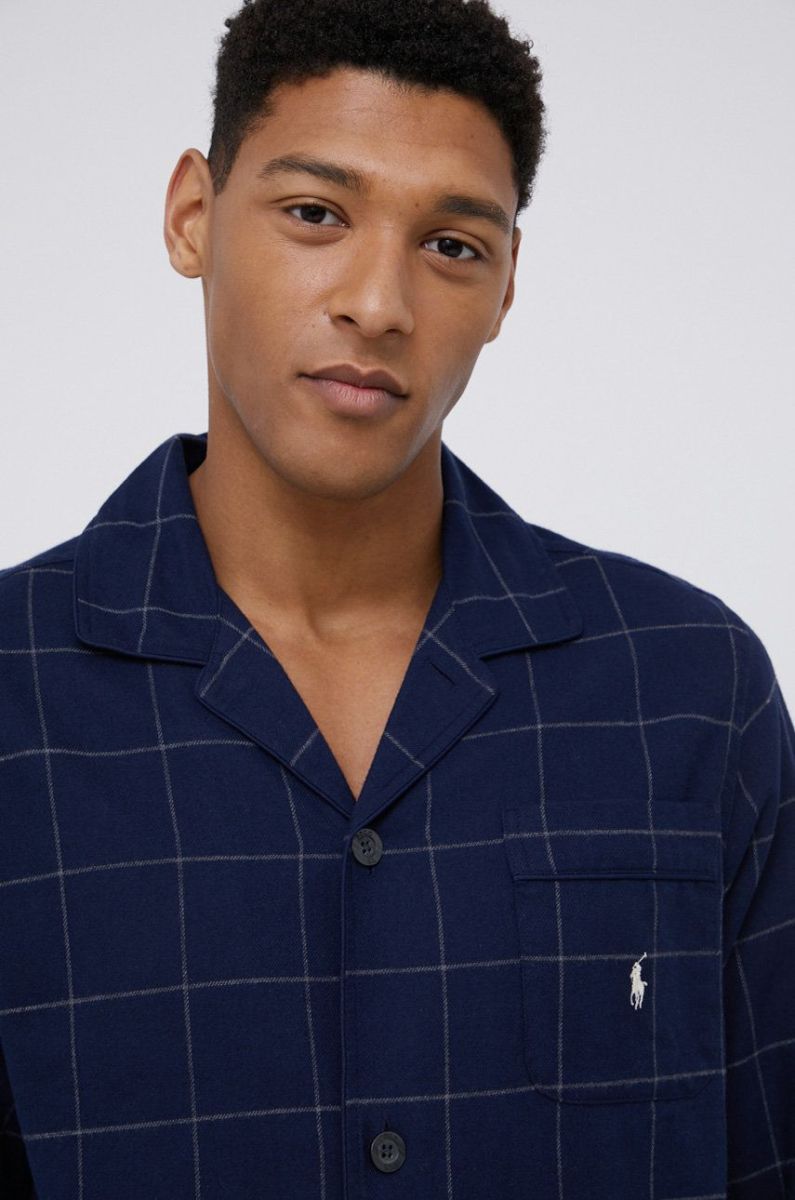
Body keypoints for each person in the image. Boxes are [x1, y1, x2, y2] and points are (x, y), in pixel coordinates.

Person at [1, 0, 792, 1195]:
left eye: (452, 244)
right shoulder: (14, 694)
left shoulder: (688, 689)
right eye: (316, 214)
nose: (378, 302)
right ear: (192, 216)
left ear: (507, 284)